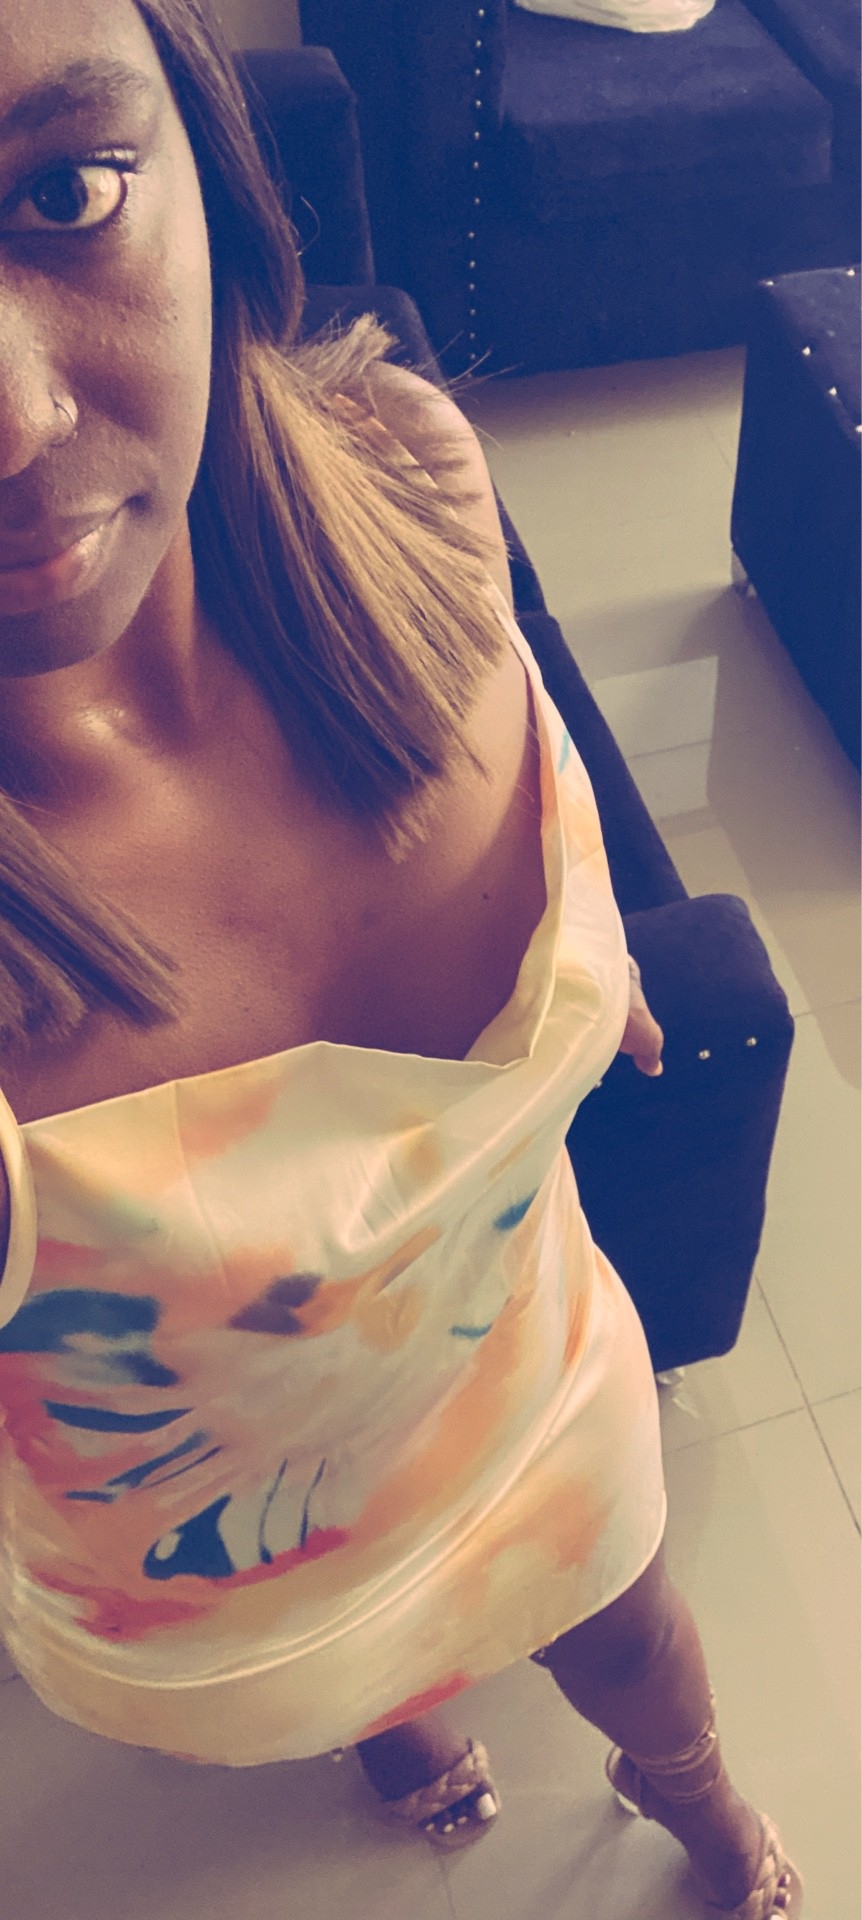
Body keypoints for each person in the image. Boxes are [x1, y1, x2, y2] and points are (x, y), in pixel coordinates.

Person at [0, 3, 798, 1914]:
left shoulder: (408, 476)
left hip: (526, 1386)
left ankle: (705, 1815)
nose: (15, 424)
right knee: (360, 1683)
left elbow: (535, 778)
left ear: (206, 159)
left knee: (636, 1641)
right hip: (235, 1576)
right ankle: (397, 1729)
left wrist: (578, 973)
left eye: (65, 191)